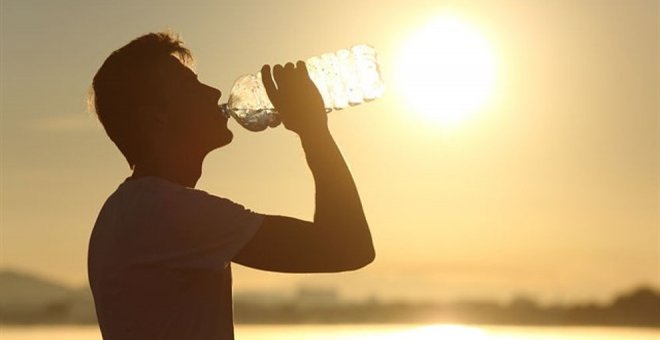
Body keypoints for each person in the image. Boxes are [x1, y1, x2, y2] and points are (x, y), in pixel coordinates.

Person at [87, 32, 375, 339]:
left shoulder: (128, 210)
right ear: (155, 118)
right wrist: (313, 130)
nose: (213, 92)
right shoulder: (164, 212)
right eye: (190, 86)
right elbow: (348, 248)